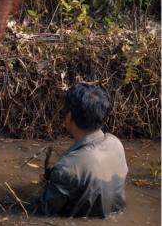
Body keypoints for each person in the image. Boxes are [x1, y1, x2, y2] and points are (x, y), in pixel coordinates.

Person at [34, 83, 128, 218]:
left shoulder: (67, 167)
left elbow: (41, 211)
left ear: (69, 115)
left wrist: (42, 189)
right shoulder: (116, 144)